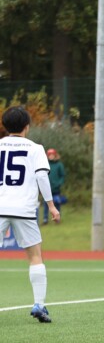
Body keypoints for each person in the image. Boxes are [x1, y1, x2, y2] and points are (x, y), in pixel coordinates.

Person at [0, 106, 61, 323]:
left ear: (5, 126)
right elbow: (42, 178)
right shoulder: (35, 148)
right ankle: (39, 305)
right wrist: (51, 206)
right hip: (24, 209)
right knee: (35, 256)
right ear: (27, 126)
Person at [42, 148, 65, 225]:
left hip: (56, 188)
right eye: (49, 155)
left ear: (55, 155)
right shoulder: (45, 164)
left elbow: (62, 176)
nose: (51, 156)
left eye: (52, 155)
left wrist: (59, 183)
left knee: (57, 203)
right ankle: (45, 219)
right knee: (46, 203)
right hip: (47, 188)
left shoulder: (59, 165)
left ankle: (57, 218)